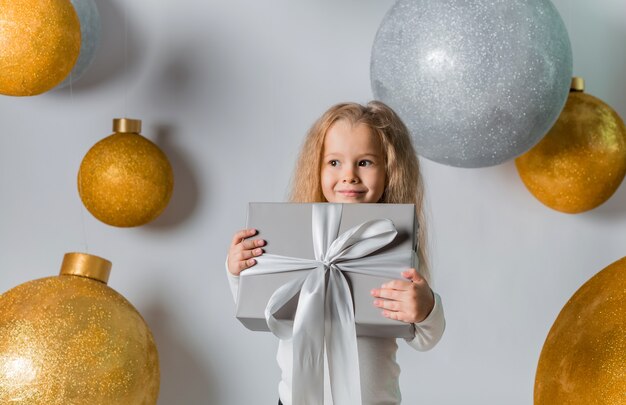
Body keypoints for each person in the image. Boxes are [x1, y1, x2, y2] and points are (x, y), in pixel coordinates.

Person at [226, 101, 445, 405]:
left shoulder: (390, 239)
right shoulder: (292, 239)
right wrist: (239, 270)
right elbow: (261, 301)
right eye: (334, 162)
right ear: (316, 167)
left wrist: (425, 310)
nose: (349, 176)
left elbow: (424, 338)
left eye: (365, 162)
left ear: (389, 169)